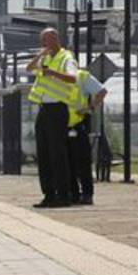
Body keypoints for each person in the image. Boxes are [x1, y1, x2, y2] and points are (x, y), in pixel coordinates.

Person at [26, 28, 79, 208]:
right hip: (44, 109)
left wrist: (53, 73)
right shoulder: (45, 58)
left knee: (58, 153)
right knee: (44, 153)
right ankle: (48, 194)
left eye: (50, 39)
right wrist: (41, 54)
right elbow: (29, 68)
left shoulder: (66, 58)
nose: (47, 42)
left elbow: (73, 78)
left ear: (57, 39)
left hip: (58, 109)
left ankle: (63, 194)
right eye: (44, 40)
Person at [67, 69, 108, 205]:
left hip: (78, 123)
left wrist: (90, 107)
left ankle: (86, 194)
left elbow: (102, 91)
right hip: (60, 124)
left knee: (82, 160)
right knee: (67, 162)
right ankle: (73, 193)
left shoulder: (81, 76)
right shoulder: (55, 77)